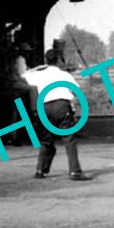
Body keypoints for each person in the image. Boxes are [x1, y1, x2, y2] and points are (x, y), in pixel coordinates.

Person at [22, 49, 92, 181]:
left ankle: (40, 170)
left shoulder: (38, 75)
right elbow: (76, 90)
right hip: (61, 106)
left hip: (44, 107)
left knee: (45, 140)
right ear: (59, 60)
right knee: (69, 138)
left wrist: (38, 68)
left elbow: (23, 75)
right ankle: (74, 171)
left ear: (46, 60)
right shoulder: (64, 75)